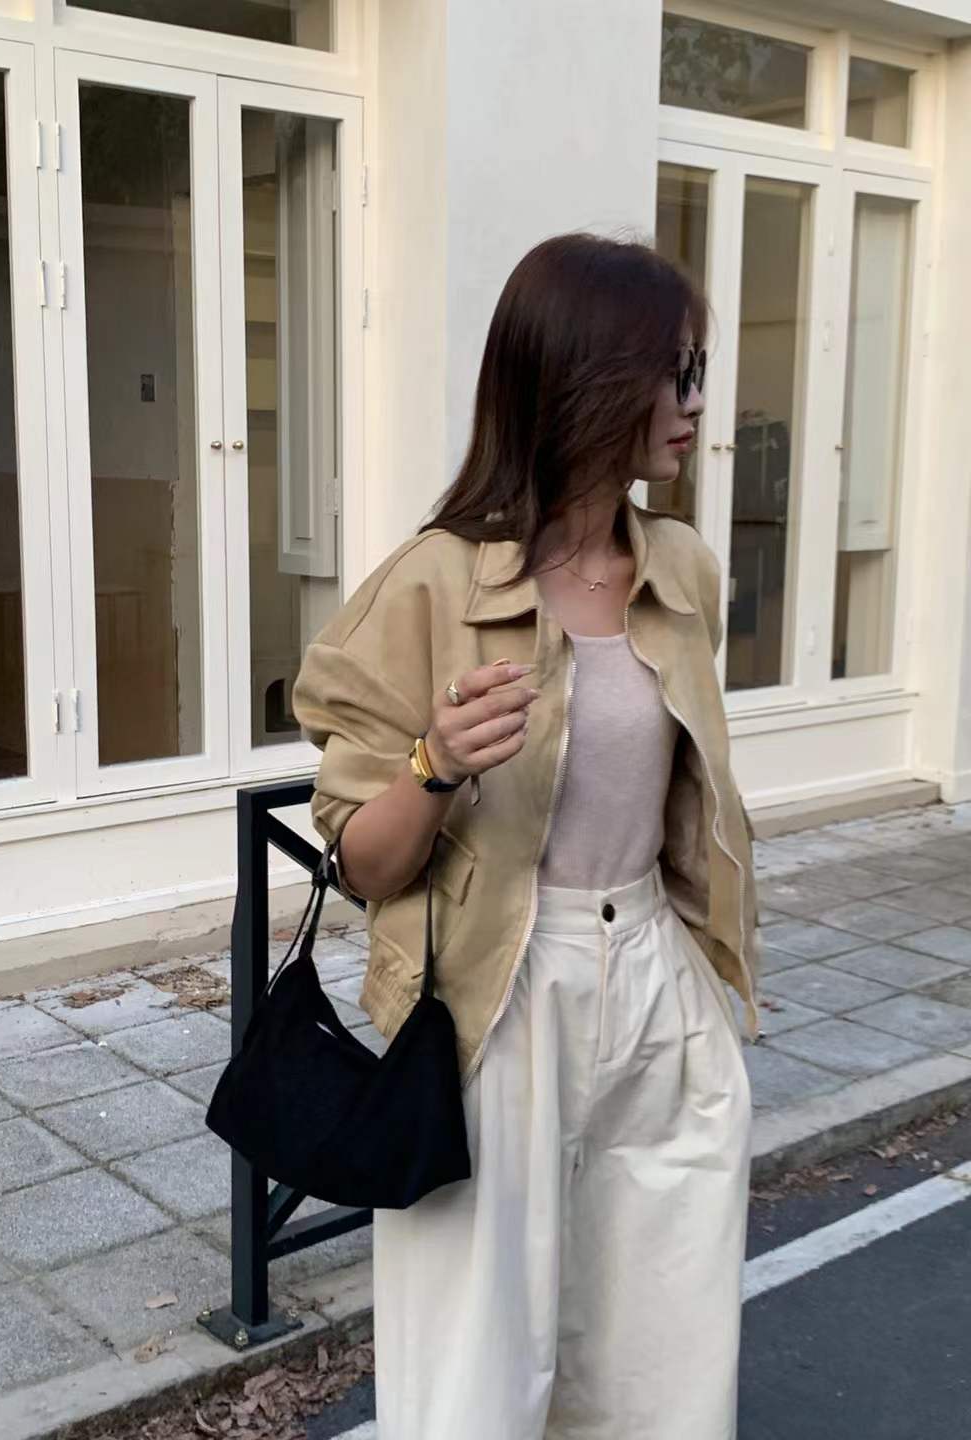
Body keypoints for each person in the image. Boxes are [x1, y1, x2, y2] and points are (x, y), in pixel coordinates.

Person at [291, 232, 761, 1440]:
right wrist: (435, 763)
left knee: (660, 1355)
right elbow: (363, 863)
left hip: (657, 980)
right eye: (676, 371)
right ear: (590, 379)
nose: (695, 404)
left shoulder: (682, 571)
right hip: (495, 998)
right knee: (478, 1373)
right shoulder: (433, 584)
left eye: (697, 370)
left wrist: (705, 980)